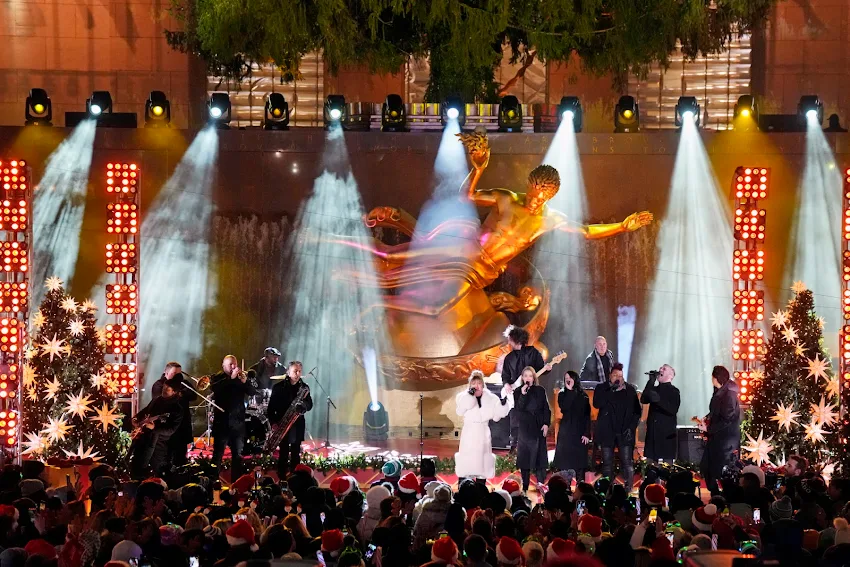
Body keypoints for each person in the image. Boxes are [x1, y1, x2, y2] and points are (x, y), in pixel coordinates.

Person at [455, 370, 513, 479]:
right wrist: (469, 397)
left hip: (483, 432)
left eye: (479, 383)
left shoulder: (491, 399)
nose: (476, 386)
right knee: (467, 460)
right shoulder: (462, 397)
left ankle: (481, 488)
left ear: (483, 384)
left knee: (483, 462)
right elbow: (460, 411)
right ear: (470, 385)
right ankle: (463, 486)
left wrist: (504, 405)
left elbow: (497, 416)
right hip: (469, 432)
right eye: (473, 383)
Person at [500, 326, 550, 451]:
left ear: (515, 339)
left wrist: (547, 368)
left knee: (530, 418)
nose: (508, 341)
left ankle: (531, 449)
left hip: (532, 393)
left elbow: (541, 369)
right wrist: (506, 384)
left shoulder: (533, 353)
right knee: (514, 419)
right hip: (515, 393)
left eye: (509, 339)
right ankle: (514, 447)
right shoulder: (509, 357)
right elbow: (505, 375)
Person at [593, 362, 641, 492]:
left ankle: (628, 489)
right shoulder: (602, 388)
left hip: (624, 432)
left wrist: (631, 428)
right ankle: (608, 490)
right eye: (615, 375)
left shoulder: (630, 390)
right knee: (607, 463)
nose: (618, 377)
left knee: (627, 462)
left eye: (620, 375)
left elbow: (637, 412)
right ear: (610, 376)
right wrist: (611, 390)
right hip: (607, 432)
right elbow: (597, 404)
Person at [211, 355, 257, 480]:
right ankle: (213, 481)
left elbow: (253, 392)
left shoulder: (240, 378)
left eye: (235, 364)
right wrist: (231, 379)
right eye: (230, 364)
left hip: (238, 423)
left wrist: (245, 382)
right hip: (222, 423)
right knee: (218, 454)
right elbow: (216, 390)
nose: (234, 367)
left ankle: (236, 483)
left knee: (237, 455)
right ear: (223, 365)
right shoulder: (217, 378)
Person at [130, 377, 183, 479]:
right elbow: (145, 411)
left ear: (174, 392)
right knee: (137, 465)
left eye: (167, 389)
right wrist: (136, 418)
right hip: (144, 438)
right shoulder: (157, 400)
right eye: (164, 387)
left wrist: (154, 428)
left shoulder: (177, 408)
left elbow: (171, 430)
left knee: (156, 471)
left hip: (159, 444)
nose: (163, 390)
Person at [700, 365, 741, 496]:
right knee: (707, 468)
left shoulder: (729, 394)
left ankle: (725, 498)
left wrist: (708, 428)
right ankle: (716, 496)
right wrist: (707, 418)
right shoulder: (720, 392)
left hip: (725, 440)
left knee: (721, 471)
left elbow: (727, 418)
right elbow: (717, 412)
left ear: (717, 378)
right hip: (717, 437)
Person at [267, 360, 314, 476]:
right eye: (295, 371)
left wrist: (303, 406)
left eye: (299, 371)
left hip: (297, 424)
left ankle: (296, 478)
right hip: (282, 423)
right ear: (288, 372)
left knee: (295, 452)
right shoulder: (278, 387)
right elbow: (271, 407)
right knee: (283, 452)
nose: (297, 374)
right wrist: (273, 422)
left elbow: (310, 404)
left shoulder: (304, 387)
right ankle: (282, 477)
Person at [513, 366, 551, 492]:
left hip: (538, 427)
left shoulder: (540, 390)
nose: (527, 378)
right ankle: (525, 487)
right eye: (525, 376)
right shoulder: (518, 391)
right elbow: (518, 409)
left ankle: (541, 485)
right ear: (522, 378)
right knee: (525, 460)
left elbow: (546, 408)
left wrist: (546, 424)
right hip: (525, 428)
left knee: (540, 459)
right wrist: (523, 395)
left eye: (530, 376)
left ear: (534, 378)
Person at [553, 370, 591, 482]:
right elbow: (565, 407)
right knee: (565, 465)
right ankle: (565, 490)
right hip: (566, 432)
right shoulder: (562, 394)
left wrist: (586, 433)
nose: (568, 380)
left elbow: (586, 416)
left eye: (570, 378)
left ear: (575, 379)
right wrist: (569, 391)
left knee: (579, 465)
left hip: (579, 433)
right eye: (566, 379)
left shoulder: (583, 396)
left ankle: (580, 490)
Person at [640, 364, 680, 462]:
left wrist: (659, 400)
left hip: (666, 434)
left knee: (667, 467)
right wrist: (651, 381)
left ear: (670, 375)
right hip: (653, 432)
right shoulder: (654, 388)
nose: (660, 369)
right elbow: (644, 399)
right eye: (660, 368)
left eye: (664, 369)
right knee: (650, 465)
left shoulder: (674, 391)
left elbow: (673, 409)